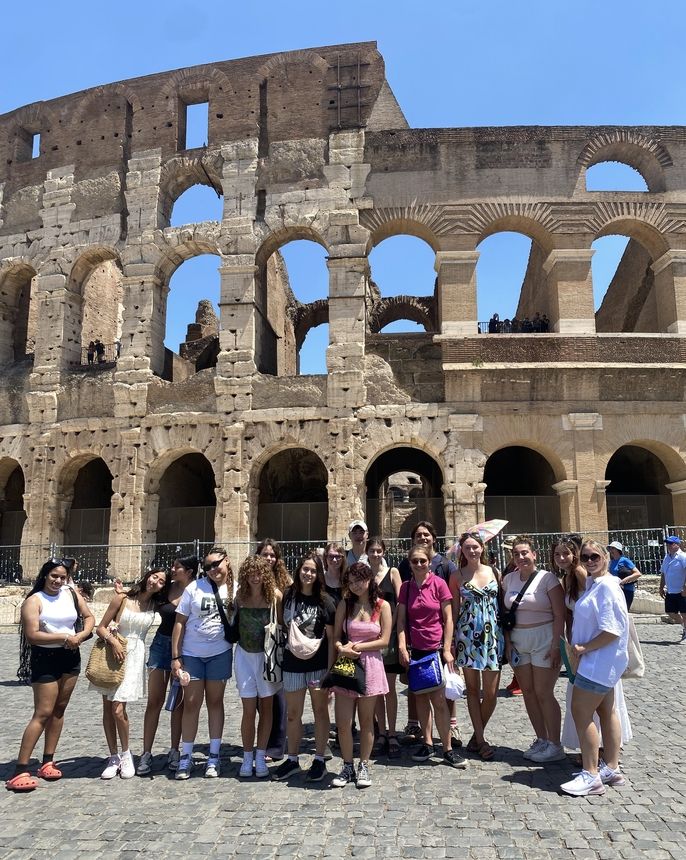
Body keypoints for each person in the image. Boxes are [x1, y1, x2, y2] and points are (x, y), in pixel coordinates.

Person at [6, 559, 95, 792]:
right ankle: (20, 769)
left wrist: (81, 635)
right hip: (45, 659)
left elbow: (89, 617)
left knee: (59, 709)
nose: (58, 581)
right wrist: (65, 638)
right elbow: (32, 635)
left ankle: (48, 761)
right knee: (43, 712)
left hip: (70, 657)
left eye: (62, 577)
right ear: (45, 575)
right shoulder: (33, 601)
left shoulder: (70, 593)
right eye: (54, 576)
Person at [560, 541, 629, 796]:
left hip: (596, 662)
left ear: (606, 557)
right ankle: (611, 766)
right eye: (585, 556)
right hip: (602, 663)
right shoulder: (595, 583)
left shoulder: (607, 587)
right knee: (607, 710)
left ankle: (591, 774)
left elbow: (612, 630)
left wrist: (583, 649)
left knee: (580, 711)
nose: (589, 560)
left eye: (595, 556)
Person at [92, 567, 167, 779]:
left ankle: (126, 754)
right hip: (115, 652)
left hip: (135, 656)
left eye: (161, 581)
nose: (156, 582)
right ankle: (113, 756)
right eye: (154, 577)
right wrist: (113, 641)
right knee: (108, 707)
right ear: (147, 576)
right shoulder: (122, 599)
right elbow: (101, 627)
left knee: (118, 708)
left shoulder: (155, 604)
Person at [397, 545, 467, 769]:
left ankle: (446, 748)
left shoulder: (438, 583)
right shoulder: (406, 588)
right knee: (420, 699)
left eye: (423, 561)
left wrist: (447, 649)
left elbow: (448, 619)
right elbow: (400, 621)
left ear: (429, 562)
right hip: (415, 650)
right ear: (410, 563)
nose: (419, 564)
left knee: (438, 700)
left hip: (435, 649)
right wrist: (401, 647)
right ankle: (427, 743)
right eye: (415, 561)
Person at [272, 552, 336, 783]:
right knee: (292, 714)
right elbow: (280, 625)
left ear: (319, 574)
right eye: (305, 569)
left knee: (320, 712)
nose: (308, 574)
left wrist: (331, 670)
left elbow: (331, 638)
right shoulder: (287, 597)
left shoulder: (326, 601)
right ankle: (292, 758)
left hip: (318, 666)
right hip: (293, 664)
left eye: (313, 570)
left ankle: (319, 759)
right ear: (299, 571)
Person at [171, 547, 234, 780]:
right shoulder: (193, 588)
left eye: (216, 564)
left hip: (220, 652)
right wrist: (176, 657)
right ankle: (186, 755)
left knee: (215, 703)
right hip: (192, 653)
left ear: (226, 561)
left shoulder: (236, 588)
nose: (213, 569)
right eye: (207, 567)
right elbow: (180, 623)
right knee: (191, 703)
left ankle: (214, 755)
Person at [502, 535, 565, 763]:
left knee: (543, 693)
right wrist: (508, 642)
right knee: (527, 692)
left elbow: (559, 615)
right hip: (519, 641)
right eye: (516, 554)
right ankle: (541, 738)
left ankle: (555, 744)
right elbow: (505, 614)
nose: (521, 557)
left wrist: (557, 644)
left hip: (544, 638)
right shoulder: (508, 580)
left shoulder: (548, 579)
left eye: (525, 553)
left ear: (534, 554)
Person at [331, 562, 391, 788]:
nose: (355, 585)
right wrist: (341, 648)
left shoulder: (382, 606)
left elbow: (385, 640)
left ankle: (363, 764)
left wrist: (356, 647)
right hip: (347, 664)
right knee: (344, 722)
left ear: (369, 580)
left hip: (371, 665)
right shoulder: (344, 606)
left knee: (367, 721)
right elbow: (336, 637)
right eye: (351, 581)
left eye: (359, 580)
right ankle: (347, 765)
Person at [137, 555, 198, 775]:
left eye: (177, 567)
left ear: (189, 571)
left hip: (186, 648)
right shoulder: (165, 588)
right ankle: (146, 752)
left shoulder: (198, 590)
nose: (172, 569)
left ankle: (174, 749)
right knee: (154, 700)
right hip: (161, 646)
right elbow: (141, 596)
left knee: (179, 702)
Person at [449, 532, 503, 761]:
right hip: (467, 636)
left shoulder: (495, 572)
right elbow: (452, 611)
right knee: (472, 690)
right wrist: (450, 642)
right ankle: (480, 740)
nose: (472, 551)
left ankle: (475, 736)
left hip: (492, 638)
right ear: (462, 551)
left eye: (475, 547)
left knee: (491, 693)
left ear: (482, 548)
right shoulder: (456, 576)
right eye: (467, 548)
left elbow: (501, 606)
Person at [233, 556, 282, 778]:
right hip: (244, 656)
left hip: (266, 657)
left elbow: (281, 627)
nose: (255, 577)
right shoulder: (239, 598)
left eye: (259, 572)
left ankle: (261, 755)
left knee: (267, 707)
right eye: (251, 572)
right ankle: (247, 756)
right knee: (249, 709)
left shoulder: (274, 597)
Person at [367, 537, 402, 759]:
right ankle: (380, 732)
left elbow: (401, 603)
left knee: (389, 687)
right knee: (376, 688)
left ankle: (391, 733)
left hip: (386, 637)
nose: (376, 554)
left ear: (384, 551)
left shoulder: (393, 572)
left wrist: (391, 629)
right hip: (371, 636)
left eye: (379, 550)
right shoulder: (364, 574)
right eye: (372, 550)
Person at [255, 538, 291, 760]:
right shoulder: (253, 577)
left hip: (277, 640)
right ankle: (266, 739)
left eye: (272, 555)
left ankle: (277, 745)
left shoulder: (284, 580)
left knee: (277, 693)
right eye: (265, 554)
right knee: (261, 694)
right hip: (256, 643)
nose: (269, 558)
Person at [659, 535, 686, 642]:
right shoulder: (667, 557)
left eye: (671, 544)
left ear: (677, 545)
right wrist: (661, 587)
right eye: (667, 544)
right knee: (670, 612)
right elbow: (663, 573)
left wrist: (685, 587)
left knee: (684, 612)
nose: (669, 546)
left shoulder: (682, 556)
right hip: (670, 590)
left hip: (681, 591)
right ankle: (684, 627)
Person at [607, 541, 642, 610]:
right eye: (610, 548)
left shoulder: (625, 560)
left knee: (624, 611)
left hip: (627, 590)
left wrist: (624, 580)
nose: (611, 550)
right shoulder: (611, 562)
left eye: (613, 548)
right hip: (615, 590)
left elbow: (638, 573)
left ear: (618, 550)